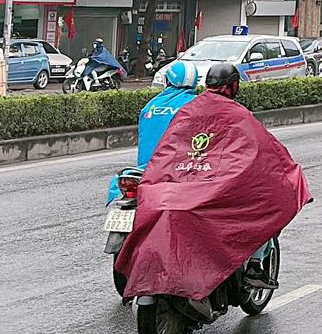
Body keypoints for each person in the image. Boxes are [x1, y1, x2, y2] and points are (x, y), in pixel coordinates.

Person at [115, 62, 310, 303]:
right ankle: (254, 265)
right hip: (211, 186)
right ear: (233, 87)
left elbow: (168, 151)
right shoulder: (237, 114)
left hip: (172, 181)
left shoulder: (181, 110)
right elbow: (264, 150)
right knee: (263, 206)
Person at [107, 60, 207, 204]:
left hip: (145, 170)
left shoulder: (151, 106)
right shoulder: (198, 105)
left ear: (168, 79)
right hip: (181, 170)